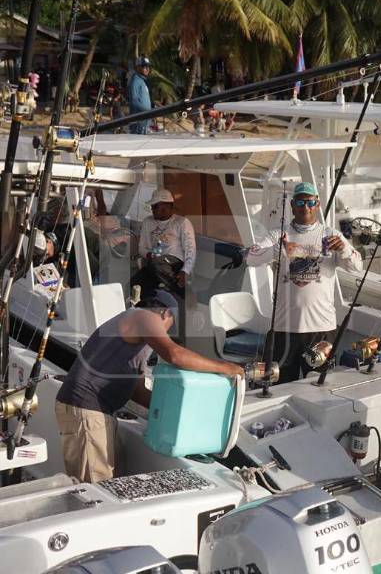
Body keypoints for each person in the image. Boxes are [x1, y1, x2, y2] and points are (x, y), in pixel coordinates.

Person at [54, 290, 244, 482]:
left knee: (112, 480)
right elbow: (174, 355)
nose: (168, 331)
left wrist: (175, 412)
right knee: (96, 489)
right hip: (86, 409)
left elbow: (136, 391)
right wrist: (225, 367)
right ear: (165, 313)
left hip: (96, 412)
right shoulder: (143, 316)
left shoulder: (136, 336)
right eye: (170, 325)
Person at [246, 182, 363, 384]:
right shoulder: (278, 234)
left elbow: (357, 267)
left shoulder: (331, 235)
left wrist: (343, 248)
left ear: (317, 205)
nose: (305, 206)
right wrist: (279, 251)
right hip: (284, 329)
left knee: (319, 384)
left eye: (310, 202)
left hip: (321, 329)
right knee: (276, 384)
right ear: (292, 205)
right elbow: (251, 257)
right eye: (300, 201)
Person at [132, 189, 196, 299]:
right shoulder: (148, 222)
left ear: (167, 206)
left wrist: (185, 271)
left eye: (155, 206)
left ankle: (186, 294)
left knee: (156, 264)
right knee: (135, 284)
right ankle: (146, 310)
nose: (152, 209)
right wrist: (148, 255)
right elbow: (142, 248)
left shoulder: (182, 222)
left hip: (175, 263)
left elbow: (191, 248)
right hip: (155, 262)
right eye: (152, 207)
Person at [127, 56, 153, 134]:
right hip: (138, 123)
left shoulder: (142, 81)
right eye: (144, 67)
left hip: (145, 121)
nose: (147, 69)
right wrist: (148, 111)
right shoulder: (135, 80)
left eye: (148, 67)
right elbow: (134, 101)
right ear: (138, 67)